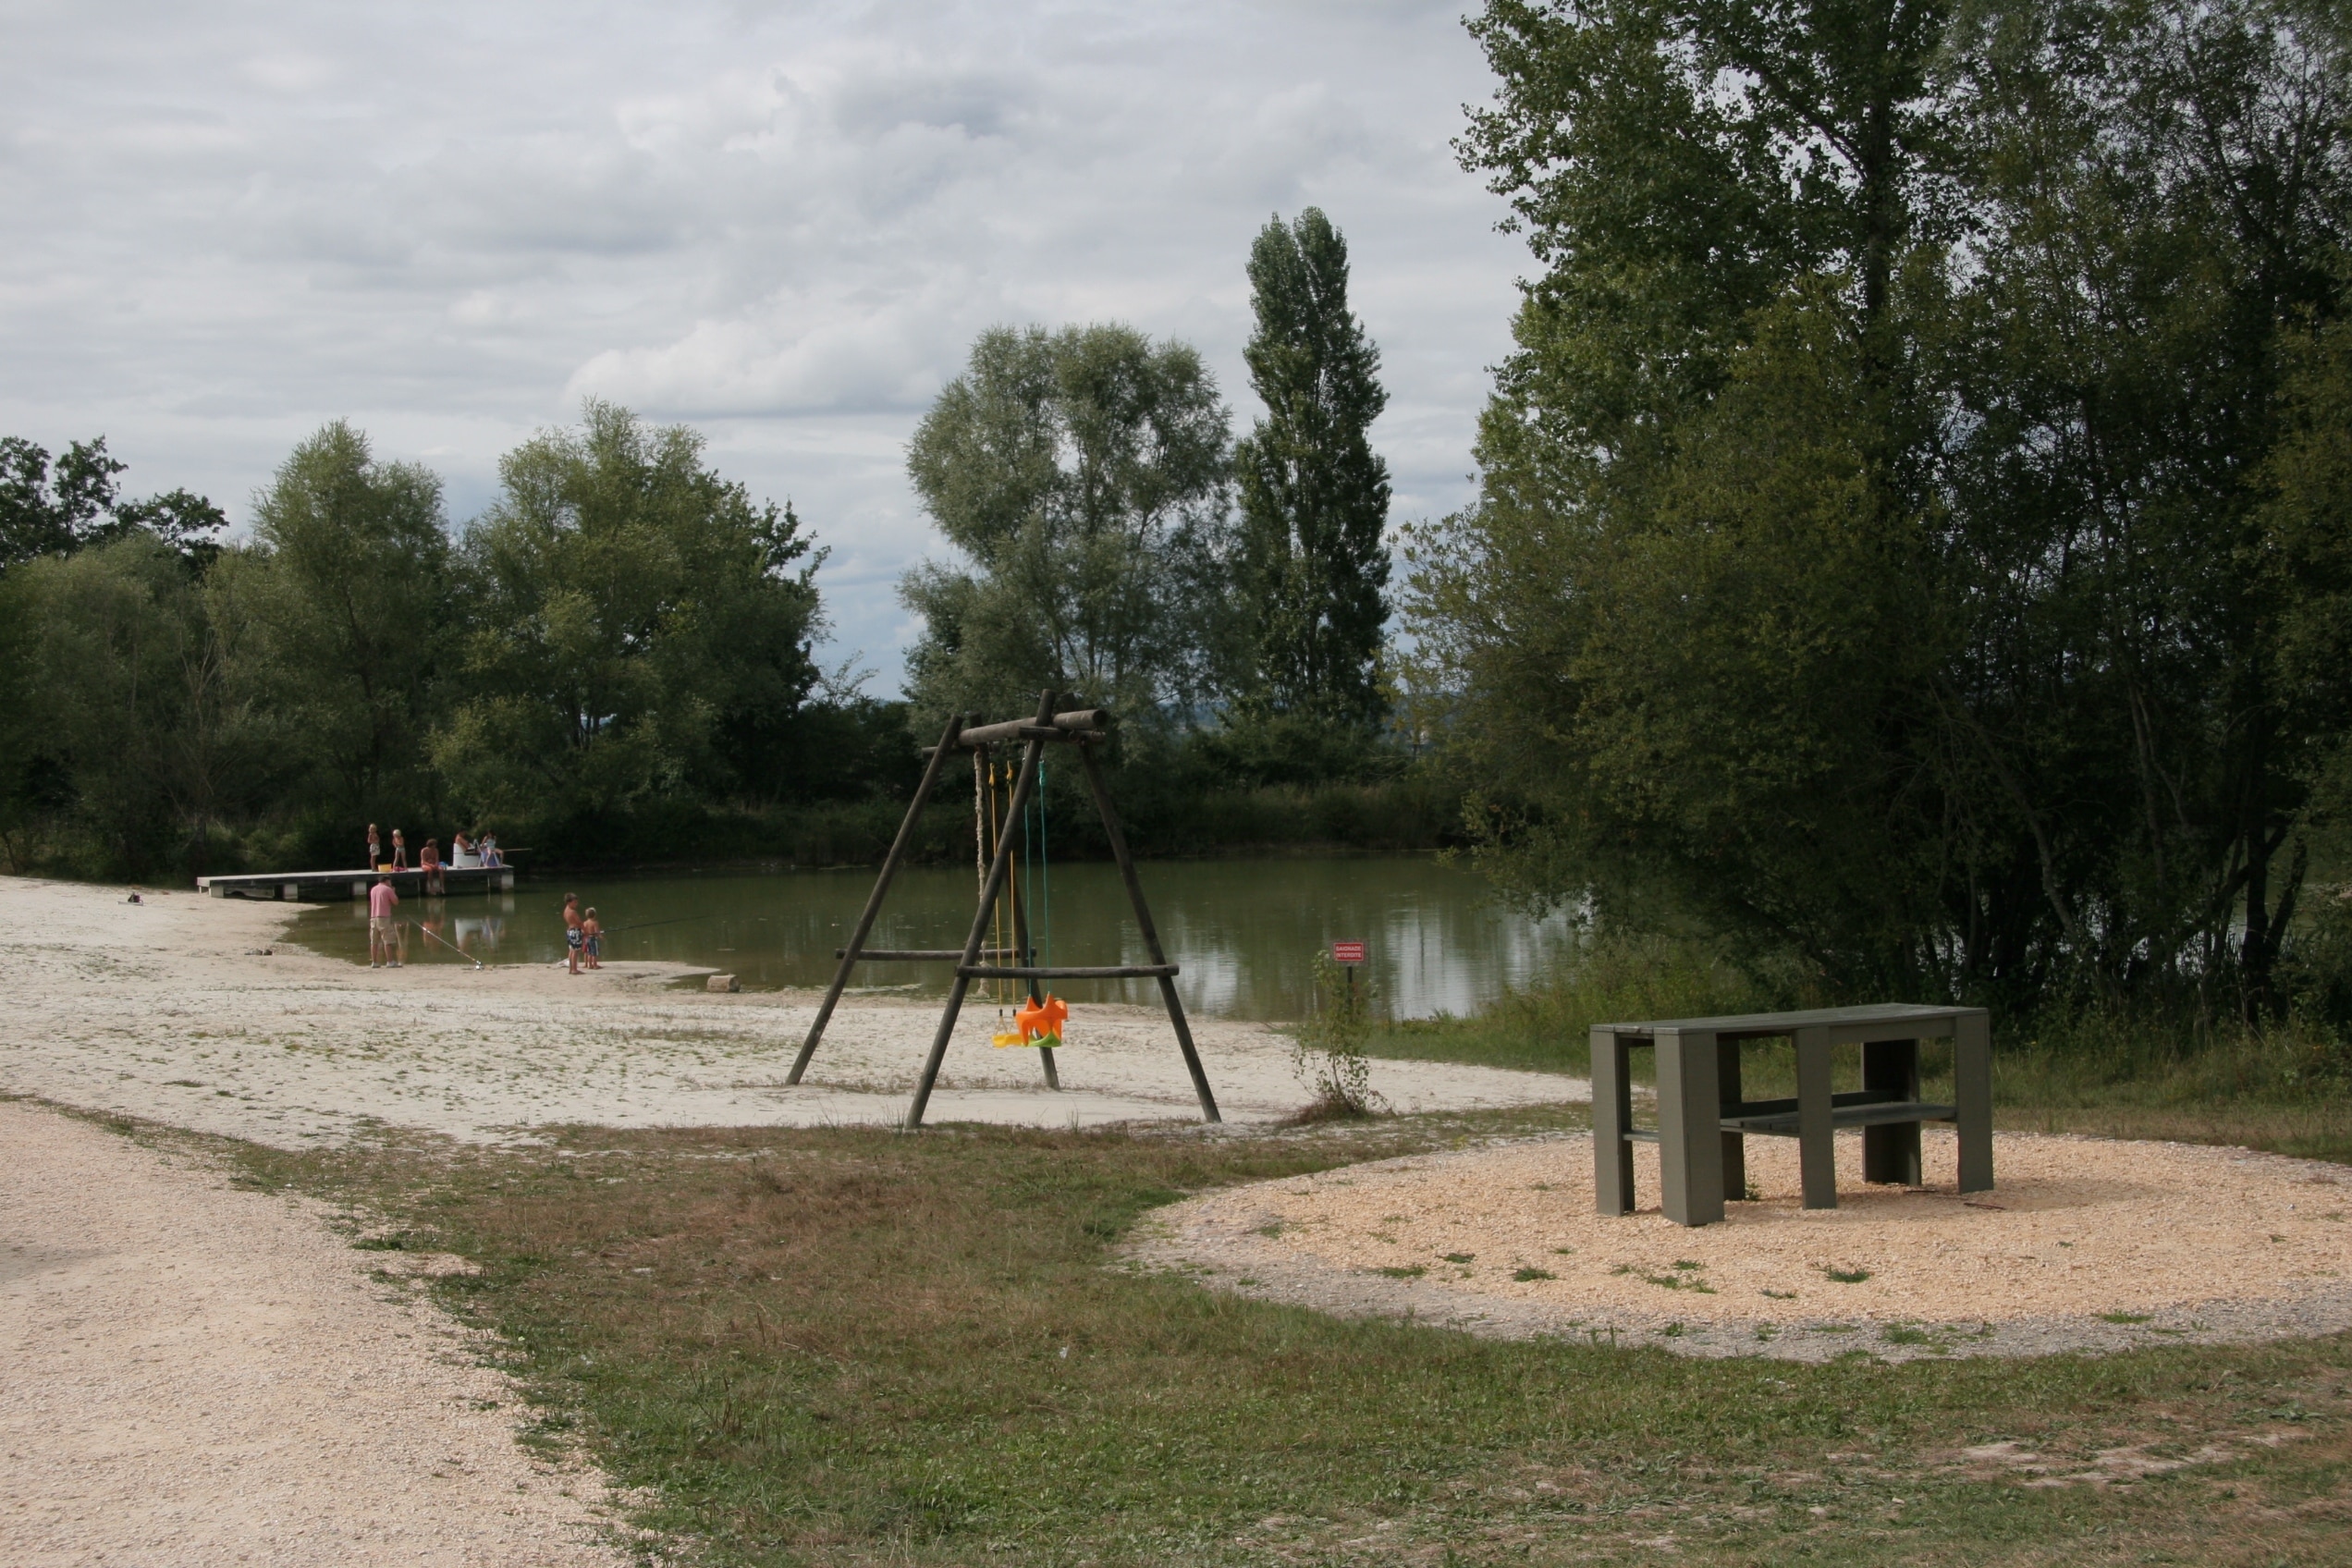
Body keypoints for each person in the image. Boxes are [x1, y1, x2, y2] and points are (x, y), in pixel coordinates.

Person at [368, 875, 401, 968]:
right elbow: (396, 902)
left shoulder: (373, 889)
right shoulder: (388, 889)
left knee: (374, 941)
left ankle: (374, 962)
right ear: (387, 881)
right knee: (387, 940)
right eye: (390, 881)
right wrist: (393, 892)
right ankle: (390, 961)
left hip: (373, 917)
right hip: (384, 917)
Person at [563, 892, 583, 975]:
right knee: (575, 951)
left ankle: (571, 969)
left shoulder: (566, 910)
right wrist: (585, 931)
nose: (576, 904)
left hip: (570, 931)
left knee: (571, 950)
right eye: (574, 902)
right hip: (575, 932)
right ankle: (574, 969)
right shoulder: (573, 912)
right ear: (569, 902)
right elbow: (579, 922)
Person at [582, 906, 603, 970]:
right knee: (594, 953)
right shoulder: (595, 923)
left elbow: (583, 931)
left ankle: (590, 965)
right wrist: (600, 936)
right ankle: (595, 965)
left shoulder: (585, 923)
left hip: (587, 939)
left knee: (589, 953)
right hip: (593, 939)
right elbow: (596, 932)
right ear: (594, 915)